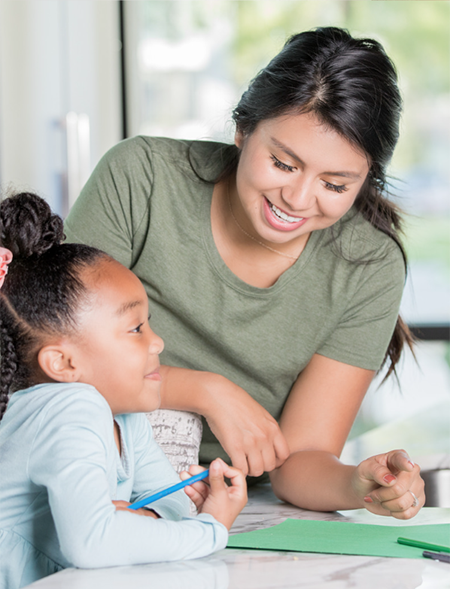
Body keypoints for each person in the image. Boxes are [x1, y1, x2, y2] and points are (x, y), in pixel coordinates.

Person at [64, 27, 425, 519]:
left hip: (226, 508)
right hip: (89, 476)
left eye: (335, 185)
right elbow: (58, 354)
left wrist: (358, 485)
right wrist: (207, 391)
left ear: (364, 183)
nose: (297, 200)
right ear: (242, 130)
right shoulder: (140, 179)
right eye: (282, 162)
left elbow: (297, 463)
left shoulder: (369, 265)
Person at [0, 193, 247, 589]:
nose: (158, 343)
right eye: (136, 329)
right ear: (62, 364)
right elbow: (93, 543)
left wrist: (140, 516)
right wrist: (211, 528)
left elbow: (169, 504)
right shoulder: (69, 407)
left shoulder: (123, 417)